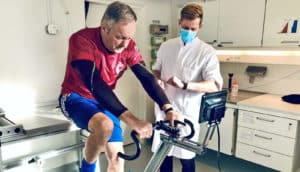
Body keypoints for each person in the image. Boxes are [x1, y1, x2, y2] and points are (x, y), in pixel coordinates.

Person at [58, 1, 182, 172]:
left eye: (129, 37)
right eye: (120, 37)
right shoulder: (82, 40)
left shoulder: (129, 47)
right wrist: (133, 121)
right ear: (104, 28)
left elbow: (146, 77)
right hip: (75, 97)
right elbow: (94, 82)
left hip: (103, 102)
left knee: (117, 160)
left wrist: (168, 108)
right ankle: (86, 169)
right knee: (105, 126)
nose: (125, 44)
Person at [151, 2, 223, 172]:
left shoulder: (207, 52)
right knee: (163, 156)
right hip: (164, 110)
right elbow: (155, 70)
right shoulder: (166, 46)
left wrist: (185, 84)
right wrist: (157, 80)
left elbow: (214, 85)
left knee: (187, 158)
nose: (188, 32)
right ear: (179, 23)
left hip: (187, 113)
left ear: (200, 26)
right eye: (185, 27)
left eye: (193, 29)